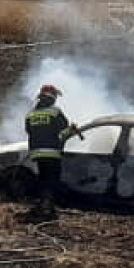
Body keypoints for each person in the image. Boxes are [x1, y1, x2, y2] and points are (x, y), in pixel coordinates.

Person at [24, 84, 80, 220]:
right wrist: (72, 129)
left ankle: (41, 206)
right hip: (52, 153)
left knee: (43, 179)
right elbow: (63, 133)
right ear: (52, 98)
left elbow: (29, 131)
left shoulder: (31, 114)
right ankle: (47, 209)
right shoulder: (55, 112)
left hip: (37, 153)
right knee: (52, 181)